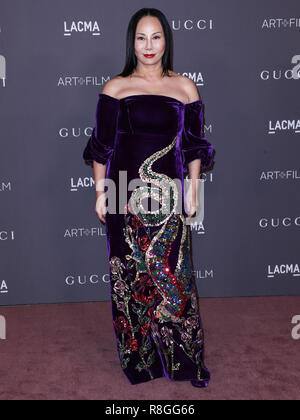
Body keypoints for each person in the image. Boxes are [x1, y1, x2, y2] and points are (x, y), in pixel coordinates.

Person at [83, 8, 215, 388]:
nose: (149, 46)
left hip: (170, 198)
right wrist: (99, 193)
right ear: (132, 43)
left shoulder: (185, 87)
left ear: (166, 40)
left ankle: (183, 359)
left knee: (178, 279)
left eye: (156, 37)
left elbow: (193, 148)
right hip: (123, 193)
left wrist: (193, 189)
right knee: (130, 278)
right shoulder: (116, 88)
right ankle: (139, 360)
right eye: (141, 38)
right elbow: (101, 148)